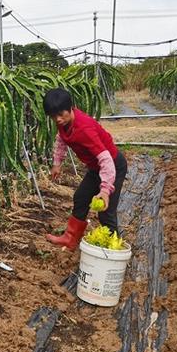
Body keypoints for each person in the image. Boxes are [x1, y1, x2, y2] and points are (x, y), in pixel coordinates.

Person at [44, 87, 127, 251]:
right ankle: (70, 239)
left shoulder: (84, 129)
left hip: (113, 166)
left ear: (70, 108)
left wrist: (105, 190)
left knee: (106, 211)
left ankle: (113, 251)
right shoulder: (65, 123)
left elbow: (106, 160)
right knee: (81, 197)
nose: (58, 120)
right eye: (54, 117)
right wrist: (57, 163)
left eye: (61, 114)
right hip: (95, 168)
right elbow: (61, 140)